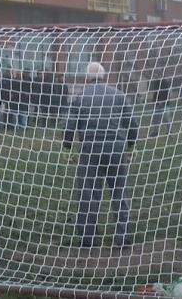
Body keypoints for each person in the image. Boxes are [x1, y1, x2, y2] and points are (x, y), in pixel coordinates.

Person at [63, 62, 137, 248]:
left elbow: (70, 123)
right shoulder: (119, 95)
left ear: (88, 77)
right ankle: (123, 237)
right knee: (119, 194)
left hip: (90, 150)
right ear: (104, 76)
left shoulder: (80, 96)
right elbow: (132, 123)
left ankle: (88, 239)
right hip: (116, 150)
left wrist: (67, 143)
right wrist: (130, 144)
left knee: (88, 195)